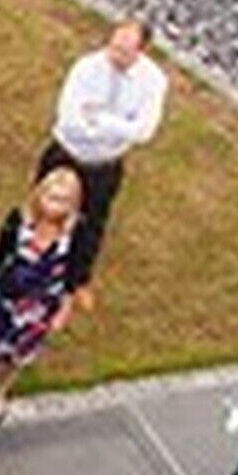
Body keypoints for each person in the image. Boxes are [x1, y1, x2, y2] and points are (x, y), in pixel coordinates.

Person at [36, 19, 167, 300]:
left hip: (103, 165)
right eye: (113, 46)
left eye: (124, 51)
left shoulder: (153, 81)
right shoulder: (86, 68)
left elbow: (144, 131)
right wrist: (120, 125)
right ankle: (32, 260)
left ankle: (77, 279)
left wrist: (101, 119)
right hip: (66, 154)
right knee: (43, 207)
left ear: (141, 51)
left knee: (92, 221)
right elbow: (70, 119)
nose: (114, 55)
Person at [0, 166, 85, 425]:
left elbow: (74, 274)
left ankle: (1, 391)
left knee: (19, 354)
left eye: (63, 200)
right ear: (39, 195)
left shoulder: (75, 233)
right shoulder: (19, 220)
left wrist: (65, 309)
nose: (54, 205)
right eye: (50, 197)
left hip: (40, 306)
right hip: (5, 300)